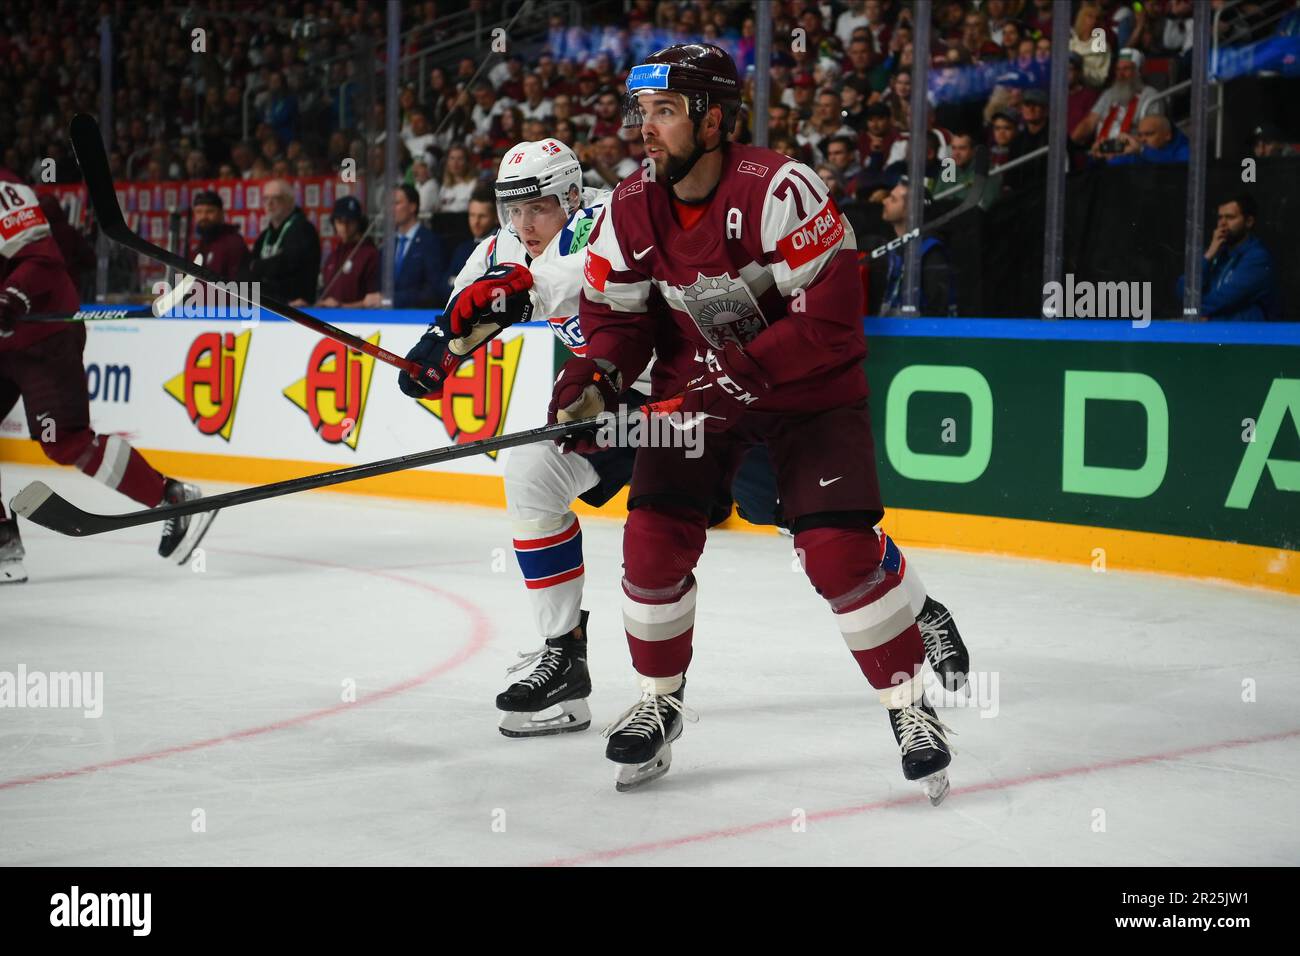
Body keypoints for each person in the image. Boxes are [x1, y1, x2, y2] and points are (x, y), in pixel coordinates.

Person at [397, 137, 969, 745]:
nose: (522, 223)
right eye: (511, 209)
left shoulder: (612, 213)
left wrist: (509, 296)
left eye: (536, 207)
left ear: (569, 193)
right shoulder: (504, 246)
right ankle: (563, 655)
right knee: (531, 474)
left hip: (702, 389)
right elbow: (472, 299)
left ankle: (921, 609)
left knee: (809, 523)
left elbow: (566, 284)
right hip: (612, 398)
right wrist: (437, 351)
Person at [553, 43, 964, 797]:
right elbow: (617, 319)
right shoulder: (628, 204)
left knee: (838, 554)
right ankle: (657, 702)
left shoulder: (782, 188)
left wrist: (726, 380)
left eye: (665, 113)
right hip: (697, 397)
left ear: (713, 120)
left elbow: (833, 326)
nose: (646, 130)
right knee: (650, 546)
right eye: (642, 113)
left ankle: (912, 707)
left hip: (807, 398)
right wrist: (596, 375)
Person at [0, 171, 214, 583]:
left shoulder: (5, 191)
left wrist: (11, 295)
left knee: (64, 440)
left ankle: (172, 497)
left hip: (43, 337)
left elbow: (42, 258)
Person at [1176, 194, 1282, 322]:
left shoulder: (1257, 258)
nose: (1223, 223)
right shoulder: (1216, 253)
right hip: (1213, 331)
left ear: (1248, 222)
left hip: (1244, 336)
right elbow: (1183, 290)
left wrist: (1193, 310)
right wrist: (1208, 256)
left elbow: (1222, 300)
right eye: (1220, 217)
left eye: (1230, 217)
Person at [876, 178, 956, 317]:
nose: (884, 201)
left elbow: (937, 309)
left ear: (910, 211)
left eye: (893, 199)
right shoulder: (892, 247)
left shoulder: (931, 253)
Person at [250, 179, 321, 304]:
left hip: (295, 308)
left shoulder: (302, 229)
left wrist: (260, 266)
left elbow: (289, 263)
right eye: (266, 198)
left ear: (290, 202)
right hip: (267, 305)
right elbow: (249, 267)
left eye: (276, 198)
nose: (269, 203)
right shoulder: (265, 235)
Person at [317, 196, 379, 308]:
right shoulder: (333, 256)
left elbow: (373, 301)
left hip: (359, 322)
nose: (344, 227)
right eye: (340, 221)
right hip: (330, 320)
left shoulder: (370, 254)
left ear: (359, 223)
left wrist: (342, 306)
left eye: (349, 221)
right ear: (334, 223)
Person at [439, 186, 498, 301]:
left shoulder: (502, 247)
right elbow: (444, 287)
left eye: (482, 216)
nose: (476, 222)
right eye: (472, 215)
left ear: (496, 218)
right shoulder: (462, 249)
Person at [391, 184, 443, 309]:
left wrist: (393, 299)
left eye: (396, 203)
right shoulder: (388, 244)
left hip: (415, 318)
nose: (391, 209)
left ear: (412, 207)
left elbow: (433, 291)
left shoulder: (430, 242)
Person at [188, 190, 249, 281]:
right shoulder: (199, 246)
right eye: (199, 212)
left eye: (210, 211)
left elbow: (238, 287)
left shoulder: (233, 243)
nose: (204, 216)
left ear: (221, 214)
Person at [1102, 115, 1189, 166]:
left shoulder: (1186, 149)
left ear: (1167, 135)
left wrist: (1141, 150)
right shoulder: (1141, 149)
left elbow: (1173, 165)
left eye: (1149, 134)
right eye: (1140, 135)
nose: (1143, 139)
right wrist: (1108, 156)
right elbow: (1117, 164)